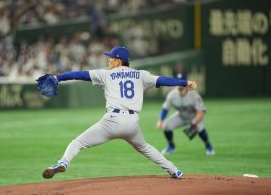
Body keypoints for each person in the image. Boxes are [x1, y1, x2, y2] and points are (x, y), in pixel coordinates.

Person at [39, 46, 196, 180]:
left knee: (78, 143)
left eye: (111, 58)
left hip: (112, 121)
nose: (109, 60)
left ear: (119, 61)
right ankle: (174, 170)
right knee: (146, 148)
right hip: (132, 123)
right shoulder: (141, 75)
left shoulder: (106, 74)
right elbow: (163, 80)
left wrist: (58, 77)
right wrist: (184, 83)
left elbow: (80, 74)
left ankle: (63, 163)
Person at [156, 73, 215, 155]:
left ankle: (208, 146)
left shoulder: (193, 94)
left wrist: (194, 123)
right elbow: (165, 108)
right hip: (181, 116)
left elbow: (202, 111)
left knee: (200, 128)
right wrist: (161, 120)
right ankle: (171, 146)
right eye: (178, 81)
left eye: (182, 81)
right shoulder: (172, 95)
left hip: (194, 117)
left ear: (186, 82)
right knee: (166, 126)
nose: (180, 84)